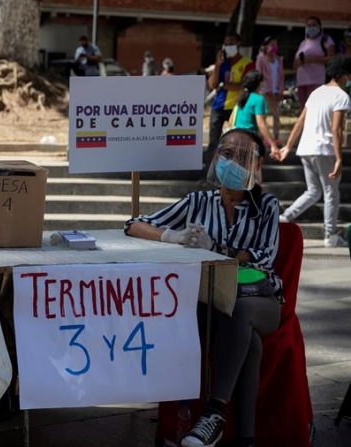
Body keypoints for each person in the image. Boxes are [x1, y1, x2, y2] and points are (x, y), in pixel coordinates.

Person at [126, 128, 282, 447]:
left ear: (257, 165)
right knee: (248, 340)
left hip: (260, 300)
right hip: (209, 300)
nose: (233, 162)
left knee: (241, 311)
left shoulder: (266, 205)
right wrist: (172, 237)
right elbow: (133, 224)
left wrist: (217, 250)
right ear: (215, 158)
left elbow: (264, 258)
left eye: (243, 156)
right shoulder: (198, 202)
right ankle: (245, 438)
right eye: (227, 154)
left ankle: (214, 413)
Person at [276, 55, 351, 247]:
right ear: (344, 74)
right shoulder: (342, 96)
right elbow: (336, 129)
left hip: (306, 148)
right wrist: (339, 158)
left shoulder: (317, 92)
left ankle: (285, 218)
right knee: (331, 193)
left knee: (314, 191)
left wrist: (288, 146)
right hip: (325, 150)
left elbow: (300, 122)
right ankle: (331, 235)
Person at [207, 33, 254, 153]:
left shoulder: (247, 63)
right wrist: (218, 64)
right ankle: (210, 168)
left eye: (231, 44)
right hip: (218, 105)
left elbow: (245, 86)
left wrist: (225, 85)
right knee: (213, 143)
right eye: (226, 44)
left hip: (237, 107)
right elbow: (212, 85)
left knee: (235, 143)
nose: (228, 46)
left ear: (238, 44)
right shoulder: (222, 63)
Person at [230, 71, 279, 156]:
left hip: (236, 140)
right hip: (250, 141)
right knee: (252, 168)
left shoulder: (241, 97)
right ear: (258, 84)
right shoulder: (258, 99)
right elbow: (261, 124)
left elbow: (232, 120)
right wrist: (273, 144)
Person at [294, 16, 336, 108]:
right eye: (308, 25)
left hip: (317, 81)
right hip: (301, 82)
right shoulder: (303, 43)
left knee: (315, 108)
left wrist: (313, 59)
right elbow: (295, 65)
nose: (311, 27)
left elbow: (332, 59)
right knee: (303, 109)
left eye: (313, 25)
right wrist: (300, 61)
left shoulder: (325, 40)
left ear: (319, 27)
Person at [255, 36, 285, 142]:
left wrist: (281, 90)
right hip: (265, 92)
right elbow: (259, 75)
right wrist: (267, 91)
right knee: (264, 115)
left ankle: (276, 138)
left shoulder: (279, 59)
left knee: (276, 115)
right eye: (272, 44)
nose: (274, 47)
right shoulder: (261, 58)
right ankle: (263, 138)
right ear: (266, 46)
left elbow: (282, 76)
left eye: (276, 44)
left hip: (276, 91)